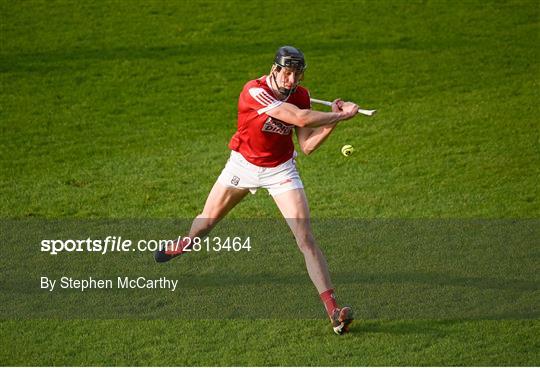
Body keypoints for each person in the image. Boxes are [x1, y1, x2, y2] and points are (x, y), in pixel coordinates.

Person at [156, 46, 359, 335]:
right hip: (242, 166)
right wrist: (339, 116)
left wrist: (332, 121)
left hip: (281, 170)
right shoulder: (254, 91)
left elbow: (308, 145)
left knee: (305, 239)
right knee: (207, 222)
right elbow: (300, 119)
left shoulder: (300, 95)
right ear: (275, 69)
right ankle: (187, 241)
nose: (292, 81)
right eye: (287, 73)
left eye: (297, 75)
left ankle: (335, 313)